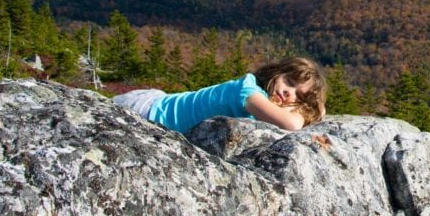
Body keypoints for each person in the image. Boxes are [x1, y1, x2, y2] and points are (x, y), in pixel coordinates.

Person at [113, 56, 327, 133]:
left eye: (298, 96)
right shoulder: (248, 91)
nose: (288, 93)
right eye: (289, 82)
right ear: (276, 73)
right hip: (145, 110)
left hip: (160, 104)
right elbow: (291, 124)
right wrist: (306, 109)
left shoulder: (258, 93)